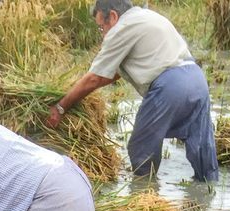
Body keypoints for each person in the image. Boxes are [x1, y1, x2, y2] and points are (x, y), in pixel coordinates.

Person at [45, 0, 218, 184]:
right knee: (202, 148)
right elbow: (110, 75)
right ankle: (209, 195)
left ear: (112, 16)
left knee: (141, 147)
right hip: (197, 81)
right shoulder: (147, 16)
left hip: (170, 87)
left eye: (101, 28)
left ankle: (145, 198)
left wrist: (61, 107)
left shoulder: (122, 28)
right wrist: (81, 88)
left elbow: (95, 77)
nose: (103, 35)